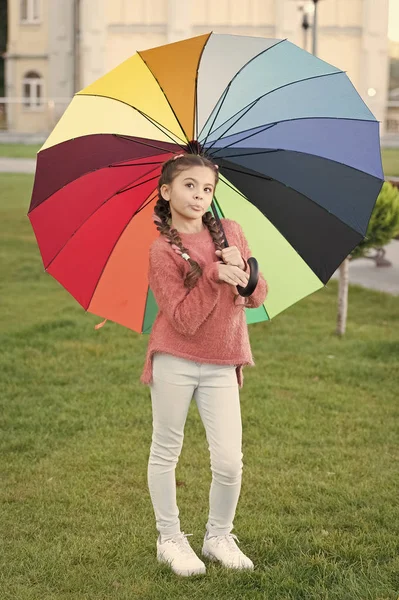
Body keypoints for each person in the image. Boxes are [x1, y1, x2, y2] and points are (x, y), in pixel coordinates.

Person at [140, 152, 268, 577]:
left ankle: (218, 536)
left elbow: (257, 295)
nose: (199, 195)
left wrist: (243, 272)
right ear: (166, 192)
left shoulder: (230, 233)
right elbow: (183, 320)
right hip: (175, 358)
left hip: (223, 359)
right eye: (189, 185)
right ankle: (170, 538)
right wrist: (213, 276)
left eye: (207, 188)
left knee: (230, 460)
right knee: (166, 449)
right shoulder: (162, 252)